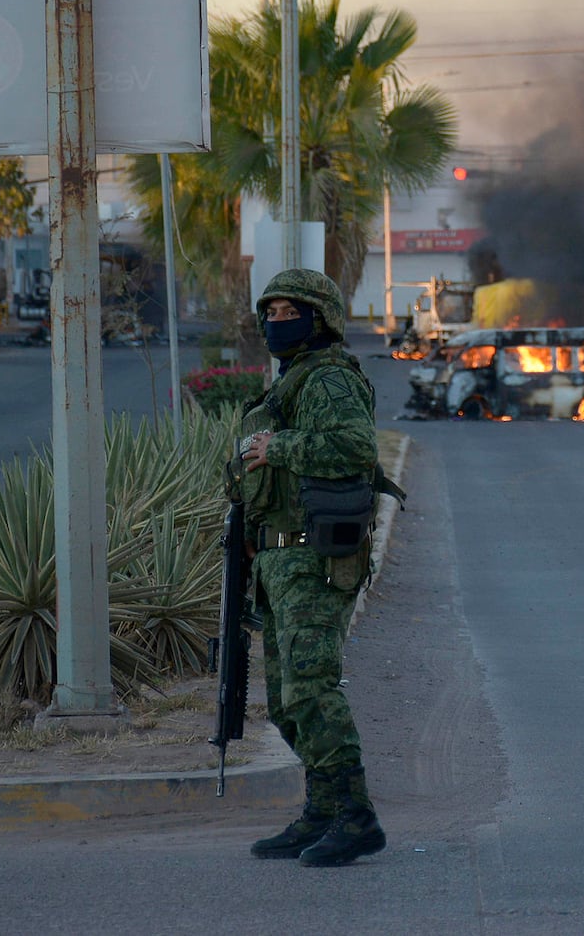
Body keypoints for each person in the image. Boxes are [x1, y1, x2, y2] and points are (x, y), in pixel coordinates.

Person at [233, 268, 386, 867]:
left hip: (316, 555)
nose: (275, 322)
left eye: (287, 311)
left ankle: (357, 817)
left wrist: (280, 447)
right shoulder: (289, 381)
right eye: (267, 313)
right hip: (279, 556)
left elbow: (355, 448)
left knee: (311, 690)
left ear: (318, 317)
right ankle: (321, 812)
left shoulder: (328, 379)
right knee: (285, 701)